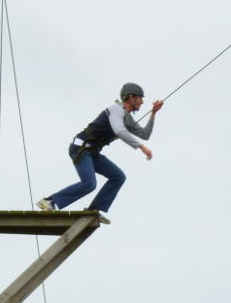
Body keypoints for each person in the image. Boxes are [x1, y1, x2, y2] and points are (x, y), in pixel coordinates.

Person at [36, 82, 163, 222]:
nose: (142, 101)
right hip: (81, 148)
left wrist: (153, 113)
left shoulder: (127, 118)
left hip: (92, 152)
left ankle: (94, 209)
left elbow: (145, 134)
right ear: (131, 97)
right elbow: (119, 131)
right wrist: (141, 147)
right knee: (89, 184)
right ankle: (50, 201)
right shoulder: (116, 109)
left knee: (118, 177)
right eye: (140, 98)